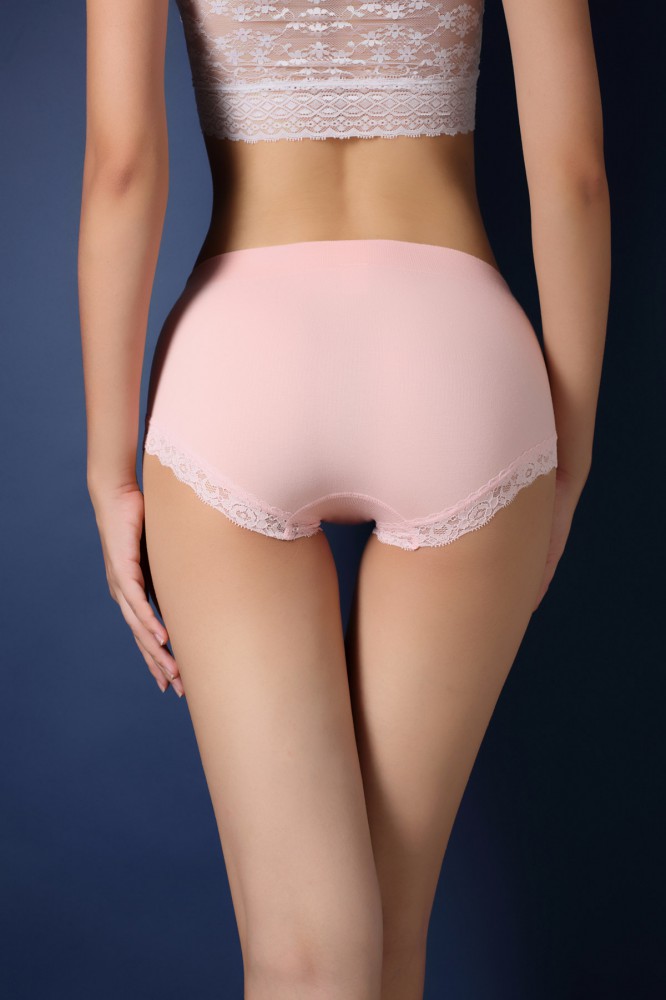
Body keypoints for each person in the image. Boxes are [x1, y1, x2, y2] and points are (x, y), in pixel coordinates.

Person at [78, 0, 610, 996]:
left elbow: (121, 167)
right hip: (456, 361)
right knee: (390, 941)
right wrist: (569, 464)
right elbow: (574, 171)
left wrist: (109, 471)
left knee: (309, 958)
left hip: (241, 363)